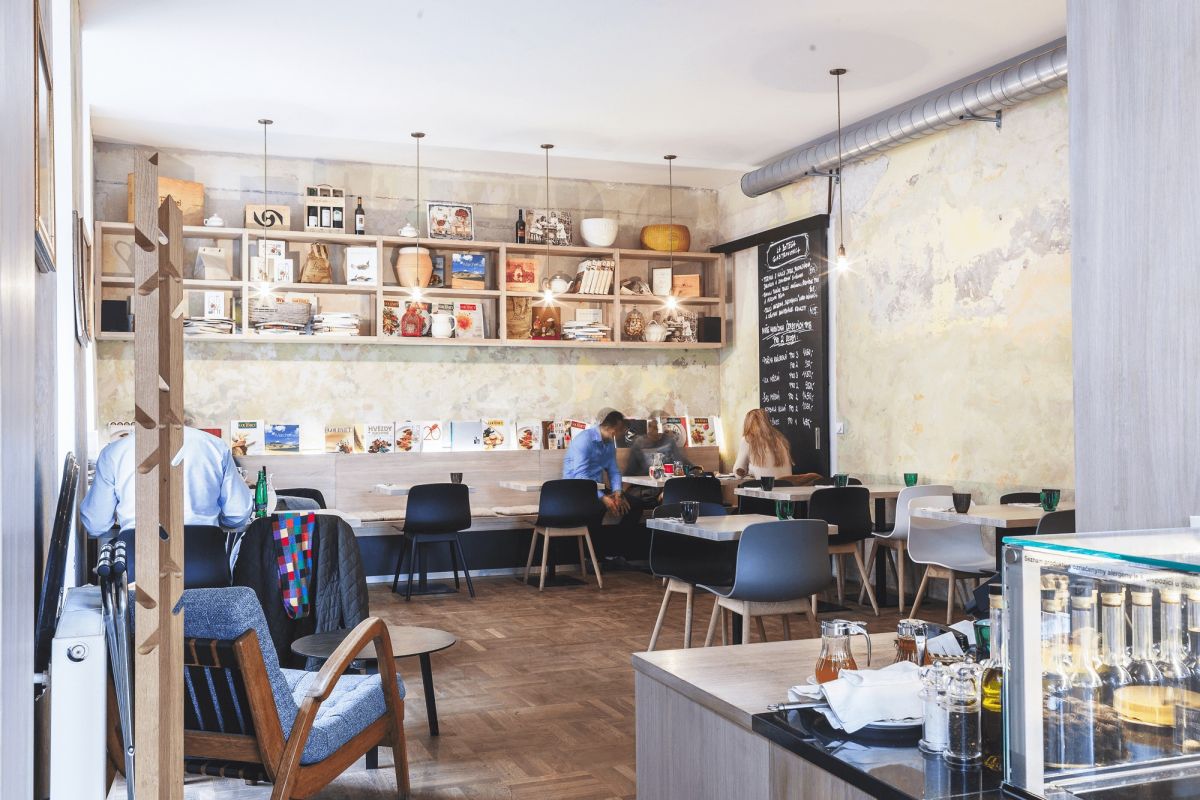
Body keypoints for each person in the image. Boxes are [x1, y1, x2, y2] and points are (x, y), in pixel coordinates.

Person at [81, 423, 254, 537]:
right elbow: (238, 514)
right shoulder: (215, 446)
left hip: (139, 567)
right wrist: (211, 517)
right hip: (206, 562)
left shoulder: (114, 451)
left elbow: (95, 523)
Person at [562, 409, 629, 517]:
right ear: (611, 429)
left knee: (633, 504)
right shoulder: (584, 440)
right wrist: (603, 498)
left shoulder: (610, 444)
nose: (622, 433)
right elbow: (580, 477)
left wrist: (617, 492)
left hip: (597, 488)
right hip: (576, 489)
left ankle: (622, 530)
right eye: (620, 429)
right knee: (599, 507)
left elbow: (614, 471)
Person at [733, 408, 794, 479]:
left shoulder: (748, 439)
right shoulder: (780, 439)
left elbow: (738, 474)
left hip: (767, 485)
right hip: (787, 485)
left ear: (747, 423)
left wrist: (745, 470)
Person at [626, 416, 691, 477]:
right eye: (650, 427)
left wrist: (692, 469)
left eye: (656, 428)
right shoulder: (639, 444)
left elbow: (679, 460)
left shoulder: (668, 441)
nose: (653, 431)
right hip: (646, 481)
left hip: (668, 480)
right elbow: (630, 470)